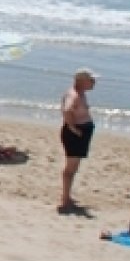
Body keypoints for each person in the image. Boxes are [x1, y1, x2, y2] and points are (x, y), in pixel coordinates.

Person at [58, 69, 97, 214]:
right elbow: (67, 110)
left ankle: (67, 196)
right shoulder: (73, 94)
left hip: (80, 133)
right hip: (75, 135)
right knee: (70, 169)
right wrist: (73, 128)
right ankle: (65, 199)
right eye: (91, 80)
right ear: (81, 81)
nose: (93, 82)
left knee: (74, 168)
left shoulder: (81, 94)